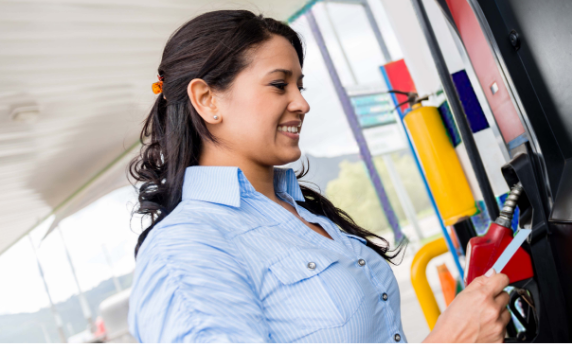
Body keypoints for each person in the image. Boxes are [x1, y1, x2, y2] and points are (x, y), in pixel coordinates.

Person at [127, 10, 511, 344]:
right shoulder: (184, 251)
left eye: (300, 85)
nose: (302, 103)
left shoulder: (300, 212)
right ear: (208, 100)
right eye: (279, 85)